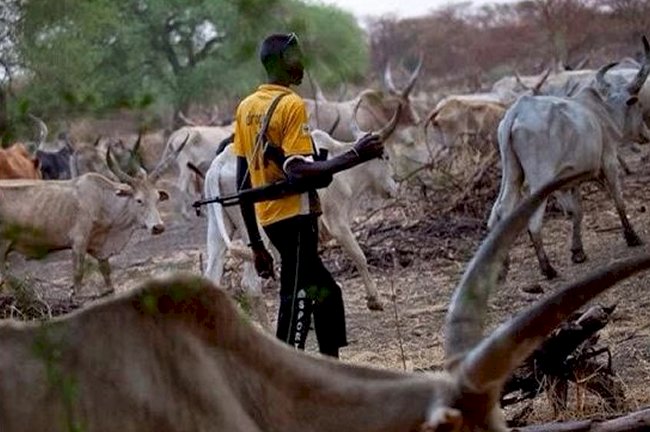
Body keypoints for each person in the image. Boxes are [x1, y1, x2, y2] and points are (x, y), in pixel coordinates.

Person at [232, 32, 384, 358]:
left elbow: (241, 180)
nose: (302, 64)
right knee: (297, 299)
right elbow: (297, 170)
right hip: (296, 218)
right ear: (284, 62)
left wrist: (257, 245)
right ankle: (288, 368)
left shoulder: (246, 107)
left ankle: (331, 367)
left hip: (272, 220)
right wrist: (357, 154)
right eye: (297, 57)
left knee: (327, 294)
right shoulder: (290, 104)